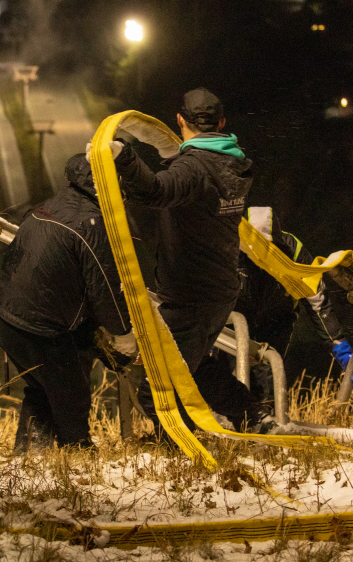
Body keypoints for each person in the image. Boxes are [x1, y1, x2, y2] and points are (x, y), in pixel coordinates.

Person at [106, 87, 256, 431]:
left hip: (190, 295)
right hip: (222, 287)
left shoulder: (193, 168)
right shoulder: (235, 162)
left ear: (179, 120)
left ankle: (185, 455)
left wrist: (124, 158)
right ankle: (252, 414)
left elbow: (157, 192)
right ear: (222, 122)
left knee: (157, 393)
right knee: (195, 367)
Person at [0, 153, 137, 453]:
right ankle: (78, 452)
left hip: (5, 316)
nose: (125, 192)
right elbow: (104, 287)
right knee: (72, 394)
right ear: (105, 186)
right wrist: (122, 333)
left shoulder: (48, 206)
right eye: (120, 185)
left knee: (42, 386)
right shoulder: (90, 223)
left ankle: (32, 454)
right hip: (39, 329)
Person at [195, 206, 353, 422]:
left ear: (278, 240)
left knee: (266, 377)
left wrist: (340, 347)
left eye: (268, 249)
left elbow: (317, 302)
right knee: (222, 374)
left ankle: (266, 428)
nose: (260, 257)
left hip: (277, 318)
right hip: (233, 316)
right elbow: (204, 292)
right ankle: (226, 426)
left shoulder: (295, 252)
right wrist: (202, 337)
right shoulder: (226, 245)